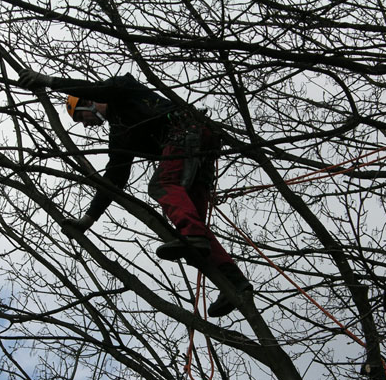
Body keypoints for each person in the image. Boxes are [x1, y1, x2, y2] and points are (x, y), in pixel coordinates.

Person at [18, 68, 252, 318]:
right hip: (197, 149)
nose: (85, 124)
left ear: (87, 102)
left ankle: (195, 239)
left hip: (185, 132)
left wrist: (49, 82)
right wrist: (87, 220)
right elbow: (115, 177)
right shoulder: (121, 133)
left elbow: (99, 89)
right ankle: (234, 285)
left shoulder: (121, 88)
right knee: (191, 230)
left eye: (80, 116)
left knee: (164, 185)